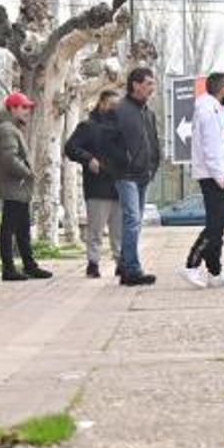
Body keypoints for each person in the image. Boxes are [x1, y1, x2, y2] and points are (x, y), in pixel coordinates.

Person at [181, 72, 224, 290]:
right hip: (213, 175)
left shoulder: (212, 107)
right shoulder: (209, 108)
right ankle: (191, 265)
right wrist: (219, 174)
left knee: (219, 225)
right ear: (221, 88)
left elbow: (218, 145)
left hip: (217, 172)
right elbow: (210, 145)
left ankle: (215, 271)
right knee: (215, 226)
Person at [0, 91, 52, 282]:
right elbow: (9, 159)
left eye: (28, 107)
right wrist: (28, 173)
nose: (27, 111)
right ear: (13, 108)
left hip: (19, 187)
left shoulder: (12, 128)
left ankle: (29, 265)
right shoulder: (7, 129)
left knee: (23, 229)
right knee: (9, 228)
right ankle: (9, 269)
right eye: (24, 107)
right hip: (14, 186)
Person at [65, 89, 123, 278]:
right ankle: (93, 263)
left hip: (120, 186)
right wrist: (88, 158)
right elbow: (71, 147)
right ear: (102, 104)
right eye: (112, 105)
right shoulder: (87, 127)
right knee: (96, 230)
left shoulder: (122, 129)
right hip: (97, 187)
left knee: (119, 232)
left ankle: (121, 262)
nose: (115, 109)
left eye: (118, 106)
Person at [111, 67, 160, 287]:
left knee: (136, 222)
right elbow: (106, 143)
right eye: (149, 83)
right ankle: (132, 270)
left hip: (143, 174)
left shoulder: (148, 113)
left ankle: (124, 263)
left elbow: (153, 143)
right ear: (136, 85)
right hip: (125, 174)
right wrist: (120, 162)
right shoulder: (119, 110)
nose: (152, 88)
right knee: (132, 219)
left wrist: (153, 166)